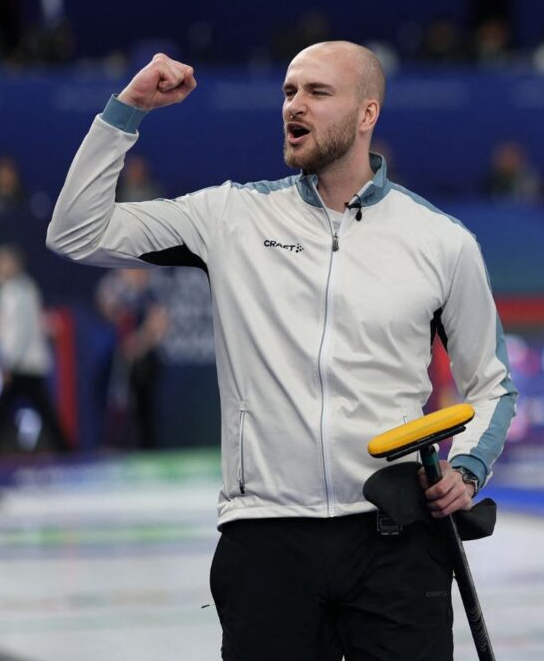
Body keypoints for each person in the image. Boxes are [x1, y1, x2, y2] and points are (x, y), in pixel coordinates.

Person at [46, 44, 518, 659]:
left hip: (396, 539)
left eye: (317, 93)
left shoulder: (442, 241)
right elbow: (75, 231)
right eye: (289, 92)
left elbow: (492, 385)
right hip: (265, 539)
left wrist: (467, 469)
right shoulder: (229, 216)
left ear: (367, 112)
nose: (294, 106)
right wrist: (129, 108)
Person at [0, 244, 70, 455]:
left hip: (22, 365)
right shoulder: (21, 287)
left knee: (4, 413)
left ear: (13, 264)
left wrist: (7, 364)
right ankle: (66, 450)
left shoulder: (15, 291)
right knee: (40, 411)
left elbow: (17, 333)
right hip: (28, 364)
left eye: (1, 263)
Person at [95, 267, 169, 449]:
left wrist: (139, 344)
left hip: (144, 356)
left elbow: (159, 322)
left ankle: (147, 448)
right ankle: (114, 444)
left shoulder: (152, 289)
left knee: (144, 407)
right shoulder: (117, 286)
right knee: (115, 402)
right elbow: (105, 308)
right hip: (119, 356)